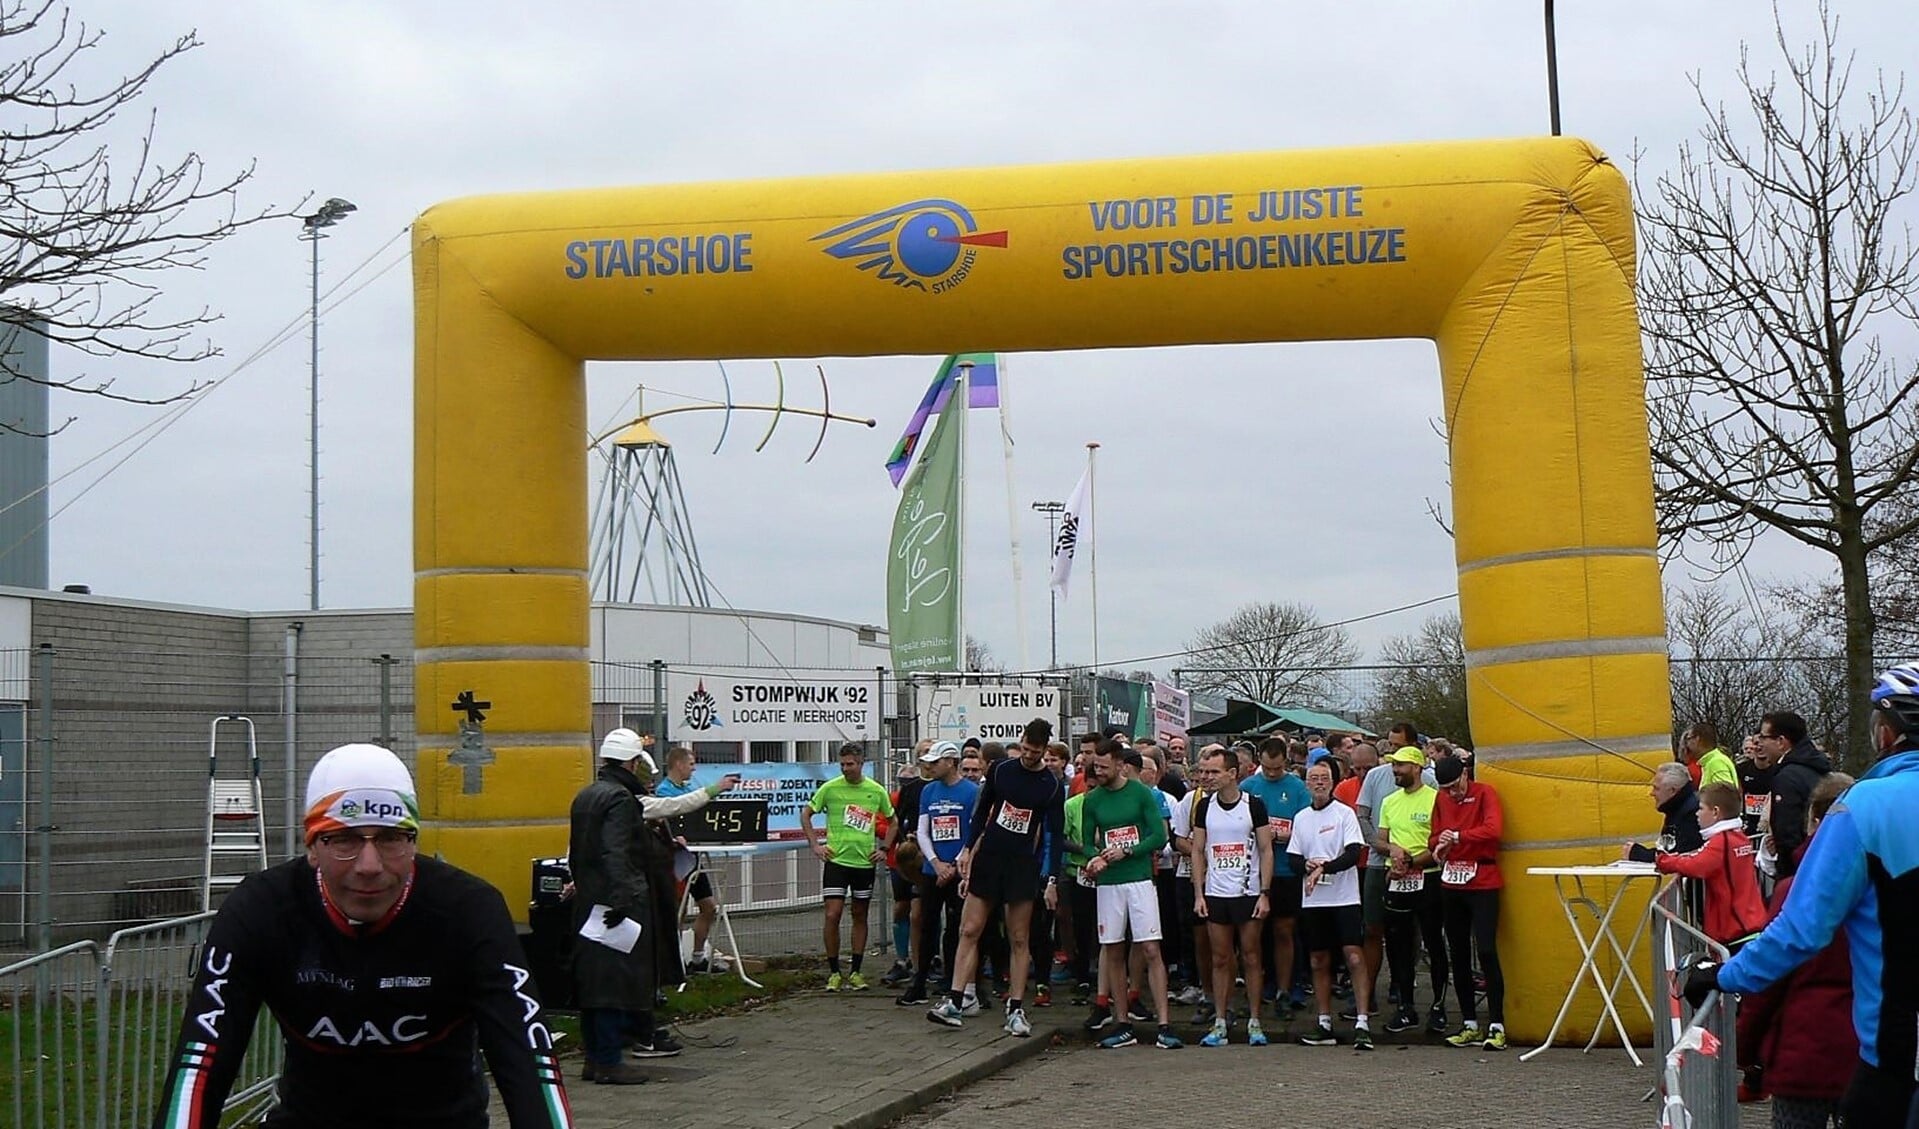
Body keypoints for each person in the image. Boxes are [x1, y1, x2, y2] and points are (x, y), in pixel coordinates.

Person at [151, 743, 575, 1126]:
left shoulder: (468, 911)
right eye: (345, 840)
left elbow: (529, 1061)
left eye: (391, 839)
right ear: (311, 846)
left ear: (414, 842)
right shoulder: (261, 910)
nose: (369, 865)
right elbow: (200, 1062)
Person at [1687, 666, 1919, 1128]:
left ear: (1888, 733)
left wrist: (1725, 975)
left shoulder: (1865, 804)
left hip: (1899, 1060)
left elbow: (1801, 929)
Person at [571, 729, 737, 1080]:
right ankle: (607, 1060)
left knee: (596, 981)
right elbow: (616, 851)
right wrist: (622, 899)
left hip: (591, 905)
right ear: (632, 762)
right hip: (618, 908)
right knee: (616, 983)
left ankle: (597, 1057)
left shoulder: (587, 795)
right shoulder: (621, 800)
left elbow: (581, 851)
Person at [929, 719, 1065, 1039]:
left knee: (1019, 938)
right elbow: (981, 812)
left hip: (1022, 865)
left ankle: (1016, 1008)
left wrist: (1052, 879)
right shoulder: (1002, 771)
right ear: (1021, 742)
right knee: (969, 928)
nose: (1030, 756)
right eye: (1026, 749)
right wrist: (967, 850)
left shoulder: (1051, 785)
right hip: (989, 857)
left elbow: (1055, 835)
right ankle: (955, 999)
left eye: (1036, 752)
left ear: (1045, 750)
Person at [1736, 771, 1857, 1128]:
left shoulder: (1794, 892)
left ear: (1815, 821)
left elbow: (1771, 973)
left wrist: (1746, 1045)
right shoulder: (1885, 888)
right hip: (1869, 1050)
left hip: (1806, 1051)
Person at [1082, 738, 1182, 1050]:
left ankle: (1165, 1024)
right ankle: (1122, 1022)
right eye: (1094, 766)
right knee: (1112, 949)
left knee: (1150, 949)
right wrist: (1095, 857)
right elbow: (1086, 842)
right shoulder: (1093, 800)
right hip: (1109, 885)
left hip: (1138, 880)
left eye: (1103, 765)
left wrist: (1127, 851)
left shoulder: (1140, 793)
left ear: (1119, 765)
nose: (1097, 771)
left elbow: (1158, 836)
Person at [1189, 746, 1275, 1046]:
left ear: (1232, 773)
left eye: (1213, 772)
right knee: (1220, 958)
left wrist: (1264, 893)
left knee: (1251, 956)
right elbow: (1198, 851)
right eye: (1203, 772)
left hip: (1247, 891)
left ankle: (1254, 1020)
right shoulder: (1204, 806)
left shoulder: (1254, 805)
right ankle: (1220, 1021)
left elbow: (1266, 849)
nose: (1207, 777)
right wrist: (1199, 893)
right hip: (1215, 893)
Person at [1290, 758, 1374, 1050]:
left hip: (1345, 897)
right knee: (1318, 959)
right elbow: (1293, 858)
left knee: (1353, 956)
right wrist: (1308, 865)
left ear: (1333, 782)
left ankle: (1362, 1021)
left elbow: (1353, 853)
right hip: (1314, 900)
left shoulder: (1344, 814)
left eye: (1324, 778)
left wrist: (1323, 868)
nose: (1319, 783)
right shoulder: (1300, 818)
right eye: (1314, 778)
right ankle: (1324, 1021)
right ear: (1307, 783)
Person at [1428, 754, 1507, 1050]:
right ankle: (1469, 1022)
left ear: (1465, 775)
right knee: (1458, 952)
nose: (1452, 793)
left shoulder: (1485, 793)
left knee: (1486, 949)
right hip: (1452, 881)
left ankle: (1497, 1024)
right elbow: (1433, 838)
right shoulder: (1441, 799)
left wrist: (1458, 837)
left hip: (1484, 879)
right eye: (1446, 788)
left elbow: (1493, 830)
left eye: (1455, 786)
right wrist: (1440, 846)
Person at [801, 743, 894, 991]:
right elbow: (806, 814)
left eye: (850, 764)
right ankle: (833, 971)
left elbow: (892, 821)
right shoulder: (830, 789)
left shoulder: (875, 791)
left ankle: (856, 971)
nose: (845, 769)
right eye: (842, 764)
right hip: (837, 861)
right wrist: (816, 845)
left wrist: (884, 848)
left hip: (864, 863)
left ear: (861, 764)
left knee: (860, 913)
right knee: (832, 914)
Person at [898, 741, 980, 1008]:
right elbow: (923, 830)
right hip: (933, 869)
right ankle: (919, 981)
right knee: (926, 923)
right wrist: (934, 863)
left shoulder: (971, 792)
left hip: (960, 871)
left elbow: (974, 831)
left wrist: (954, 865)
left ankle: (953, 982)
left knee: (958, 927)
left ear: (950, 762)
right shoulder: (928, 791)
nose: (929, 767)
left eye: (935, 762)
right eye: (927, 763)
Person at [1376, 743, 1450, 1035]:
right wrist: (1393, 849)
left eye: (1402, 766)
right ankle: (1406, 1007)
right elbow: (1380, 839)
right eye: (1394, 766)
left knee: (1433, 944)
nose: (1396, 770)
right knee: (1398, 947)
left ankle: (1439, 1007)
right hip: (1396, 878)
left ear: (1417, 768)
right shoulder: (1390, 801)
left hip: (1428, 877)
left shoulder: (1435, 799)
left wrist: (1410, 861)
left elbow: (1440, 843)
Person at [1649, 781, 1769, 949]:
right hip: (1747, 923)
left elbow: (1695, 865)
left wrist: (1663, 860)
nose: (1697, 814)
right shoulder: (1737, 836)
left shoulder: (1721, 841)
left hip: (1735, 930)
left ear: (1715, 812)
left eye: (1701, 808)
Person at [1242, 736, 1311, 1017]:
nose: (1272, 773)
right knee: (1255, 934)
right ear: (1259, 760)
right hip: (1254, 871)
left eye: (1277, 768)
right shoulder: (1248, 787)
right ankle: (1261, 986)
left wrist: (1284, 835)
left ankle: (1285, 988)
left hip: (1285, 871)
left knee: (1285, 930)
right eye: (1267, 768)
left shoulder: (1297, 788)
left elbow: (1307, 826)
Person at [655, 744, 725, 973]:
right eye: (691, 764)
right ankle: (673, 963)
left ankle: (697, 958)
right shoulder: (664, 792)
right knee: (678, 912)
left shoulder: (690, 788)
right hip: (675, 862)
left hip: (693, 858)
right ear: (679, 764)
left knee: (709, 907)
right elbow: (670, 820)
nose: (694, 770)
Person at [1759, 711, 1831, 880]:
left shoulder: (1787, 778)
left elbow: (1788, 833)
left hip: (1798, 873)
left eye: (1763, 737)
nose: (1759, 744)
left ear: (1781, 741)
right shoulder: (1817, 768)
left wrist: (1785, 873)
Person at [883, 745, 932, 986]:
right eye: (923, 752)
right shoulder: (909, 790)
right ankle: (902, 961)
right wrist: (900, 843)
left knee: (921, 911)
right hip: (905, 858)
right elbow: (893, 821)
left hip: (930, 859)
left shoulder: (943, 788)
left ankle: (927, 960)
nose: (927, 756)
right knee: (902, 908)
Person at [1623, 762, 1706, 861]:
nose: (1652, 793)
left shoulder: (1692, 813)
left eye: (1656, 788)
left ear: (1672, 790)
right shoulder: (1675, 809)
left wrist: (1638, 854)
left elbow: (1680, 856)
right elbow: (1667, 850)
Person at [1681, 722, 1739, 790]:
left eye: (1688, 739)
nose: (1686, 745)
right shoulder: (1711, 762)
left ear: (1697, 739)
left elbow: (1724, 796)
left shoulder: (1716, 763)